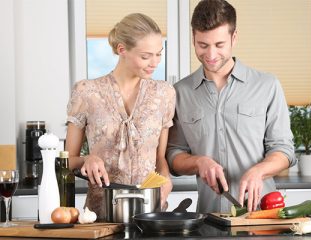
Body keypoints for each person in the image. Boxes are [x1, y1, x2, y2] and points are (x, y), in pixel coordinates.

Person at [166, 0, 296, 214]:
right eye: (203, 45)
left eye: (219, 45)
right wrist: (199, 162)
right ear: (193, 39)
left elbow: (284, 150)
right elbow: (174, 155)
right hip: (209, 219)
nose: (210, 55)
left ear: (234, 38)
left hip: (263, 217)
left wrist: (259, 171)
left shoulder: (266, 85)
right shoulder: (180, 92)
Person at [65, 13, 175, 220]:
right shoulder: (87, 92)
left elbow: (160, 158)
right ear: (121, 49)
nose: (155, 63)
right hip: (100, 215)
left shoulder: (165, 93)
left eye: (159, 54)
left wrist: (166, 179)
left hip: (150, 214)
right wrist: (87, 159)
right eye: (146, 56)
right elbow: (66, 162)